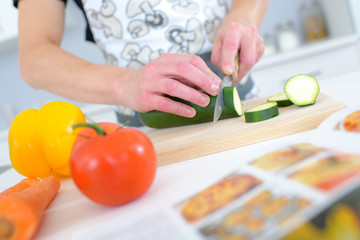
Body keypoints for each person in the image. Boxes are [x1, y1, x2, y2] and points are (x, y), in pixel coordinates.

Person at [13, 0, 268, 126]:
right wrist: (125, 84)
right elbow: (34, 58)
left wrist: (243, 17)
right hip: (146, 128)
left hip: (242, 107)